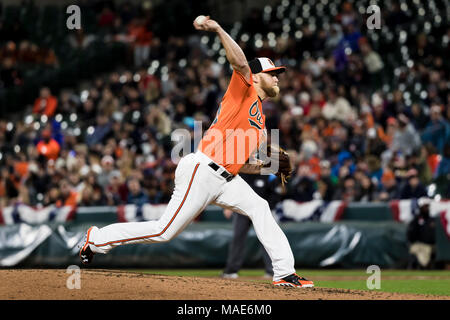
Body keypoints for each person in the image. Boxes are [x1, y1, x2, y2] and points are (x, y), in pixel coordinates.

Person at [79, 16, 314, 288]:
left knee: (260, 206)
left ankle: (285, 273)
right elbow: (238, 62)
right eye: (273, 73)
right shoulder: (244, 88)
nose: (277, 78)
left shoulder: (260, 122)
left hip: (227, 179)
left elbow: (241, 164)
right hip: (202, 170)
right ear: (257, 76)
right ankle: (96, 239)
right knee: (164, 231)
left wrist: (269, 166)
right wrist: (217, 28)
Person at [222, 173, 279, 279]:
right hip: (242, 210)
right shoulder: (242, 170)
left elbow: (275, 195)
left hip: (263, 211)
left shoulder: (269, 170)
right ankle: (230, 271)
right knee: (237, 238)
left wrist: (266, 209)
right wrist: (228, 206)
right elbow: (233, 189)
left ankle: (272, 271)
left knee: (267, 240)